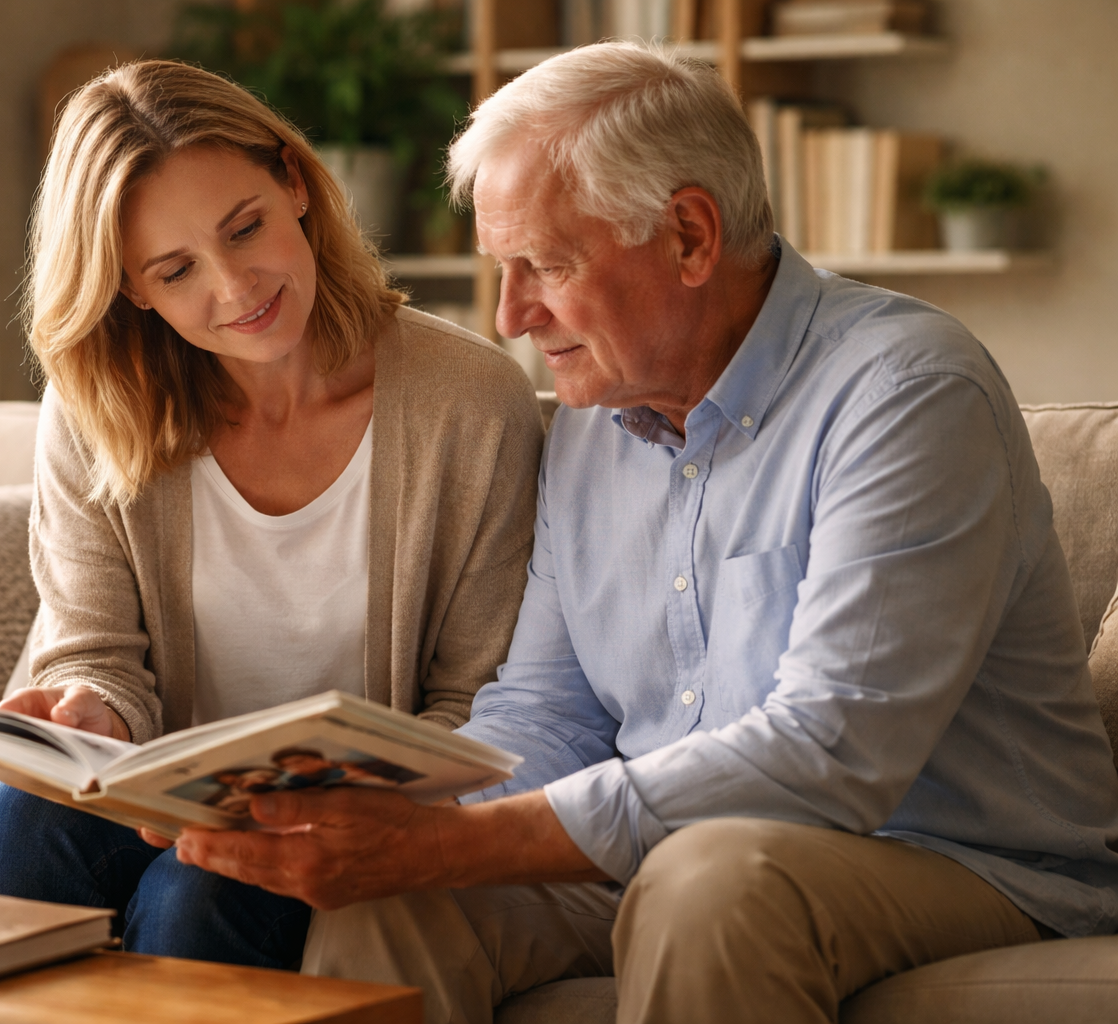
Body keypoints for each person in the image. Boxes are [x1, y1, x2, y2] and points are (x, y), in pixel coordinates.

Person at [164, 42, 1118, 1023]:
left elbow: (832, 751)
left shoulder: (905, 392)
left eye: (545, 265)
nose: (511, 315)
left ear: (690, 236)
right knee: (397, 905)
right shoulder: (591, 424)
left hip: (957, 861)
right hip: (673, 852)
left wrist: (447, 841)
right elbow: (547, 712)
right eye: (503, 268)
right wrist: (392, 814)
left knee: (708, 879)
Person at [0, 59, 543, 972]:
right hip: (148, 802)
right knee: (19, 818)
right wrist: (91, 713)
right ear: (131, 289)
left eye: (246, 228)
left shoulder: (471, 402)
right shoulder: (94, 414)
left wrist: (335, 799)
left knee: (208, 884)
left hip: (345, 816)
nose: (235, 288)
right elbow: (96, 655)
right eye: (177, 269)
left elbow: (478, 703)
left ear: (294, 183)